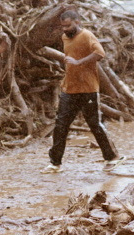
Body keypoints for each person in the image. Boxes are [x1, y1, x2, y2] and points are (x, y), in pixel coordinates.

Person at [47, 10, 119, 170]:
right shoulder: (64, 37)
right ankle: (55, 163)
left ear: (77, 22)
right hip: (69, 88)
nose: (65, 29)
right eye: (63, 26)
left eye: (68, 25)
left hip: (88, 88)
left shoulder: (87, 36)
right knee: (60, 125)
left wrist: (79, 62)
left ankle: (111, 157)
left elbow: (100, 53)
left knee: (94, 124)